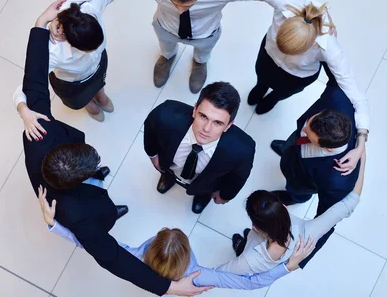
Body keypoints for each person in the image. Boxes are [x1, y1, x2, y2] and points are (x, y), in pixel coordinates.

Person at [21, 1, 210, 296]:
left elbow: (33, 80)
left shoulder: (38, 133)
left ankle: (108, 201)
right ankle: (111, 211)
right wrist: (169, 289)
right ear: (78, 178)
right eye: (92, 166)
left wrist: (38, 25)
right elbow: (114, 259)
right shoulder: (79, 217)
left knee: (105, 203)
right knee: (105, 213)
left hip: (76, 187)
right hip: (91, 212)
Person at [211, 0, 369, 168]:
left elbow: (357, 96)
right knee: (261, 77)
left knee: (281, 93)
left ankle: (273, 99)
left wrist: (360, 144)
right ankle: (260, 87)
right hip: (267, 57)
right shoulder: (283, 0)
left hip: (296, 76)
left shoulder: (328, 46)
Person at [37, 186, 316, 290]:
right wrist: (287, 266)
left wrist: (55, 225)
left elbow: (89, 241)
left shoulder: (132, 257)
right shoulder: (199, 275)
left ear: (153, 243)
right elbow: (250, 284)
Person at [54, 0, 258, 93]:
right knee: (166, 46)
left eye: (186, 5)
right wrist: (63, 13)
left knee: (204, 51)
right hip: (166, 28)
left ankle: (199, 63)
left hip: (205, 33)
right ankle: (167, 58)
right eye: (174, 2)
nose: (180, 10)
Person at [259, 63, 366, 267]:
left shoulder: (339, 181)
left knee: (297, 190)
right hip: (296, 149)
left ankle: (294, 196)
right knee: (293, 143)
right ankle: (289, 149)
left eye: (309, 133)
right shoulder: (339, 97)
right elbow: (337, 67)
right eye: (310, 122)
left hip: (304, 179)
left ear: (326, 148)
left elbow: (326, 221)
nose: (305, 127)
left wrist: (298, 262)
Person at [218, 152, 364, 273]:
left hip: (252, 252)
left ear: (255, 227)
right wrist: (361, 151)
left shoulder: (248, 260)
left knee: (245, 247)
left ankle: (241, 246)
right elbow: (351, 200)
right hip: (271, 253)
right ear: (284, 207)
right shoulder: (308, 234)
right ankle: (243, 244)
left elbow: (217, 275)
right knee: (247, 242)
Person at [144, 82, 255, 214]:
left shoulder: (242, 150)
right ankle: (168, 177)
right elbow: (150, 128)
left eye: (218, 123)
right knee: (168, 170)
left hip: (207, 184)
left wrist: (225, 195)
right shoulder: (165, 114)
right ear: (195, 110)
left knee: (204, 189)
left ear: (228, 126)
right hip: (170, 165)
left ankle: (201, 196)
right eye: (203, 116)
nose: (206, 129)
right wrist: (153, 155)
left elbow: (238, 178)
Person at [13, 0, 118, 131]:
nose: (95, 50)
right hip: (73, 85)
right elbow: (28, 85)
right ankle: (89, 104)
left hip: (97, 67)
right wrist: (23, 109)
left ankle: (101, 95)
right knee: (82, 99)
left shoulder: (90, 9)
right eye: (89, 49)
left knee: (100, 82)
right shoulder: (53, 51)